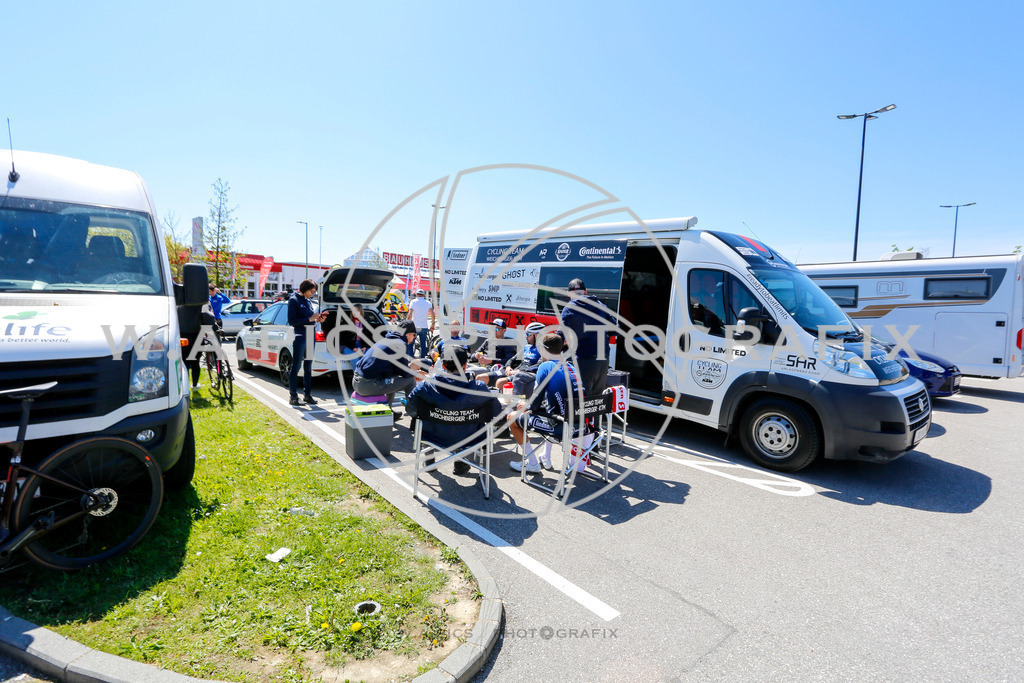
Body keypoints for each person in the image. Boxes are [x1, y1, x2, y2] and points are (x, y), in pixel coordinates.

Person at [406, 345, 502, 476]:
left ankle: (428, 460)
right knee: (464, 426)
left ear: (443, 366)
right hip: (469, 437)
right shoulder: (479, 388)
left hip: (433, 436)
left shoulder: (426, 386)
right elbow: (496, 411)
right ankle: (461, 463)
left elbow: (411, 408)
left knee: (424, 421)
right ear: (465, 366)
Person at [507, 332, 581, 473]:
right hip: (582, 425)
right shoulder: (571, 367)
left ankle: (533, 463)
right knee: (547, 410)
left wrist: (526, 406)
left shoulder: (545, 367)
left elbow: (535, 405)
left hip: (562, 427)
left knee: (512, 418)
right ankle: (545, 456)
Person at [353, 319, 425, 417]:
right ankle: (414, 416)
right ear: (407, 334)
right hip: (367, 385)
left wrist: (412, 372)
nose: (414, 338)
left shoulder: (386, 340)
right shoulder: (400, 344)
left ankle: (388, 412)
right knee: (410, 381)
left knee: (393, 377)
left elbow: (398, 369)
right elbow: (404, 372)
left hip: (357, 381)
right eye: (414, 335)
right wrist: (415, 374)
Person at [559, 278, 615, 395]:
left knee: (583, 398)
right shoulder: (600, 305)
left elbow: (561, 335)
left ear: (569, 293)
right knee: (597, 400)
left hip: (584, 358)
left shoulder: (569, 308)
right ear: (585, 291)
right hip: (603, 358)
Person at [287, 279, 328, 406]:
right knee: (296, 367)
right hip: (300, 337)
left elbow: (310, 321)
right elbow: (292, 321)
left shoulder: (308, 301)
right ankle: (293, 396)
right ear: (304, 289)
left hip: (311, 336)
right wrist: (309, 318)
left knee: (308, 368)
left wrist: (318, 319)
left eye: (314, 291)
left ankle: (307, 395)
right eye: (311, 291)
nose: (313, 293)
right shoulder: (294, 300)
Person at [473, 318, 518, 386]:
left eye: (497, 329)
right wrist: (476, 355)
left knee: (471, 372)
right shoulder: (488, 341)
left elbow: (508, 361)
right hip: (482, 366)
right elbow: (472, 356)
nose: (494, 331)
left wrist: (492, 361)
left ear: (504, 330)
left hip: (493, 369)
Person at [406, 289, 435, 358]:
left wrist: (407, 323)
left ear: (416, 294)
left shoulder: (413, 302)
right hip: (424, 326)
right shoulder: (428, 302)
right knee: (423, 344)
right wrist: (432, 324)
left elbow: (410, 314)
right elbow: (432, 314)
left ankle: (411, 360)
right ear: (424, 295)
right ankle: (422, 360)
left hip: (414, 326)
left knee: (410, 343)